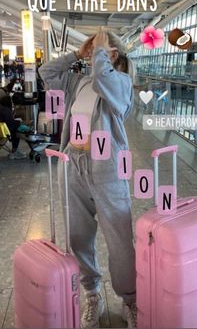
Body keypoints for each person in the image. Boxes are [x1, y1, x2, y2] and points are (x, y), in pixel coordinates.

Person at [39, 30, 137, 328]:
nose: (93, 53)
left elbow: (103, 78)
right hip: (73, 164)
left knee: (119, 239)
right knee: (78, 235)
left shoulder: (120, 83)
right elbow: (47, 72)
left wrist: (99, 55)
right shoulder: (78, 81)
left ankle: (130, 299)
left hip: (106, 166)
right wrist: (77, 54)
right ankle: (93, 294)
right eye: (92, 50)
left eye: (99, 49)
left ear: (113, 56)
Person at [0, 83, 27, 159]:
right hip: (1, 128)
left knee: (16, 125)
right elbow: (10, 124)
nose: (19, 107)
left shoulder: (4, 105)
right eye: (19, 105)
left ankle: (14, 151)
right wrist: (19, 124)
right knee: (16, 129)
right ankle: (14, 152)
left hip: (2, 125)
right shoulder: (5, 110)